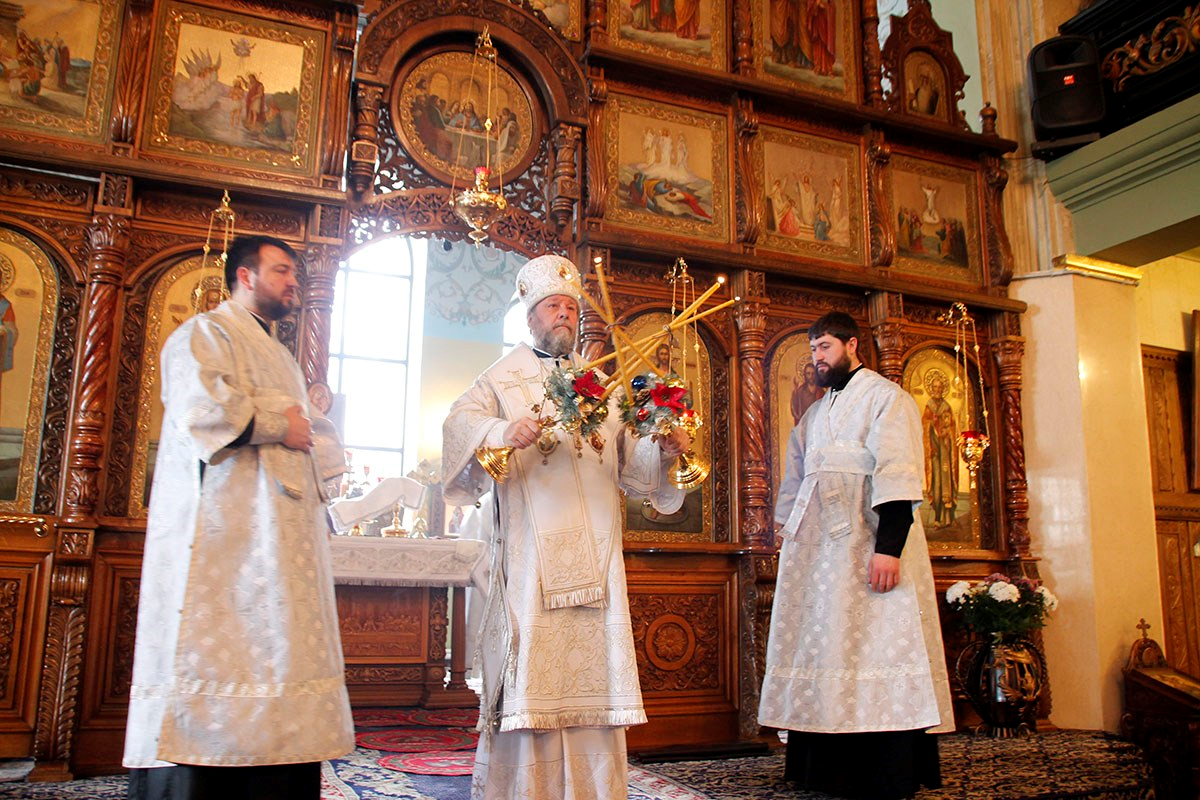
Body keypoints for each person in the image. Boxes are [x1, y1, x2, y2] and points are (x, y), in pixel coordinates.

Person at [442, 254, 689, 800]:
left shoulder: (602, 384)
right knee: (535, 675)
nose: (564, 315)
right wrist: (502, 430)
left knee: (594, 680)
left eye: (572, 308)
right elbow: (459, 424)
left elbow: (633, 470)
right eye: (553, 305)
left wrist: (665, 449)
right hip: (532, 557)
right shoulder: (501, 378)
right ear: (530, 314)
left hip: (598, 558)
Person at [123, 235, 354, 800]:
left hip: (281, 538)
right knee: (220, 652)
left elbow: (312, 431)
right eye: (281, 271)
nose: (293, 282)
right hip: (228, 538)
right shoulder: (206, 334)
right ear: (245, 276)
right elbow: (201, 410)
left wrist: (315, 439)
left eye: (294, 272)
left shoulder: (280, 354)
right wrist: (279, 423)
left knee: (281, 656)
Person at [759, 311, 953, 800]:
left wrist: (889, 549)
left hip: (868, 548)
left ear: (851, 344)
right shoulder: (814, 414)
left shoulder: (887, 398)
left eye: (825, 347)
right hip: (818, 558)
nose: (817, 358)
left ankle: (883, 771)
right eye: (812, 350)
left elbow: (897, 475)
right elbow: (797, 479)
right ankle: (826, 769)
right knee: (826, 648)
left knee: (877, 646)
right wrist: (785, 534)